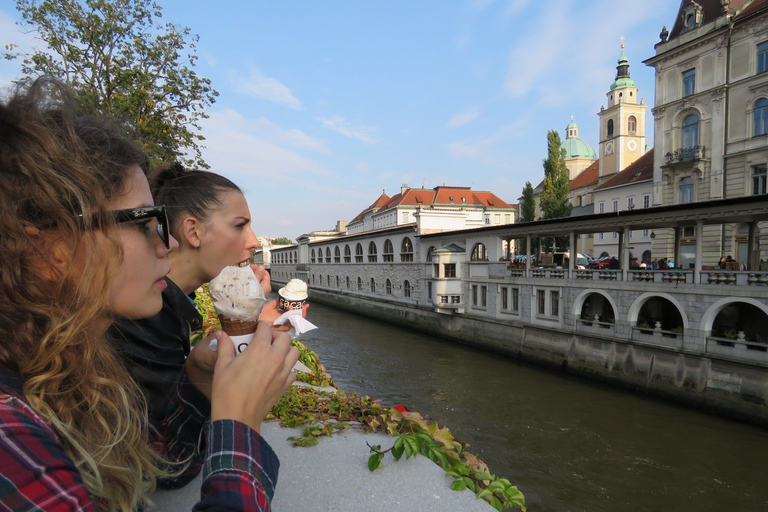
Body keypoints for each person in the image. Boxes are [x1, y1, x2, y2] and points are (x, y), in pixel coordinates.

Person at [0, 77, 298, 511]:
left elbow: (151, 468)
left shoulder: (63, 372)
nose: (169, 243)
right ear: (52, 250)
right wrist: (237, 427)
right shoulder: (10, 437)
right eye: (145, 223)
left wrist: (198, 385)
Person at [108, 163, 306, 429]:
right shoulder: (145, 318)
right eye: (240, 226)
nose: (254, 241)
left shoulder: (170, 305)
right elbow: (154, 454)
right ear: (194, 232)